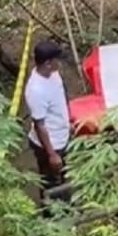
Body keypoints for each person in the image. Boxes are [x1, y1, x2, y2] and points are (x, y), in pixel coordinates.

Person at [25, 39, 71, 198]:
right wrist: (52, 154)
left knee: (63, 175)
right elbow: (40, 125)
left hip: (61, 134)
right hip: (50, 144)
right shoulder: (36, 90)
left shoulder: (53, 74)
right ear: (48, 63)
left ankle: (66, 204)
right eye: (57, 60)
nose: (60, 64)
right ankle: (53, 214)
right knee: (51, 182)